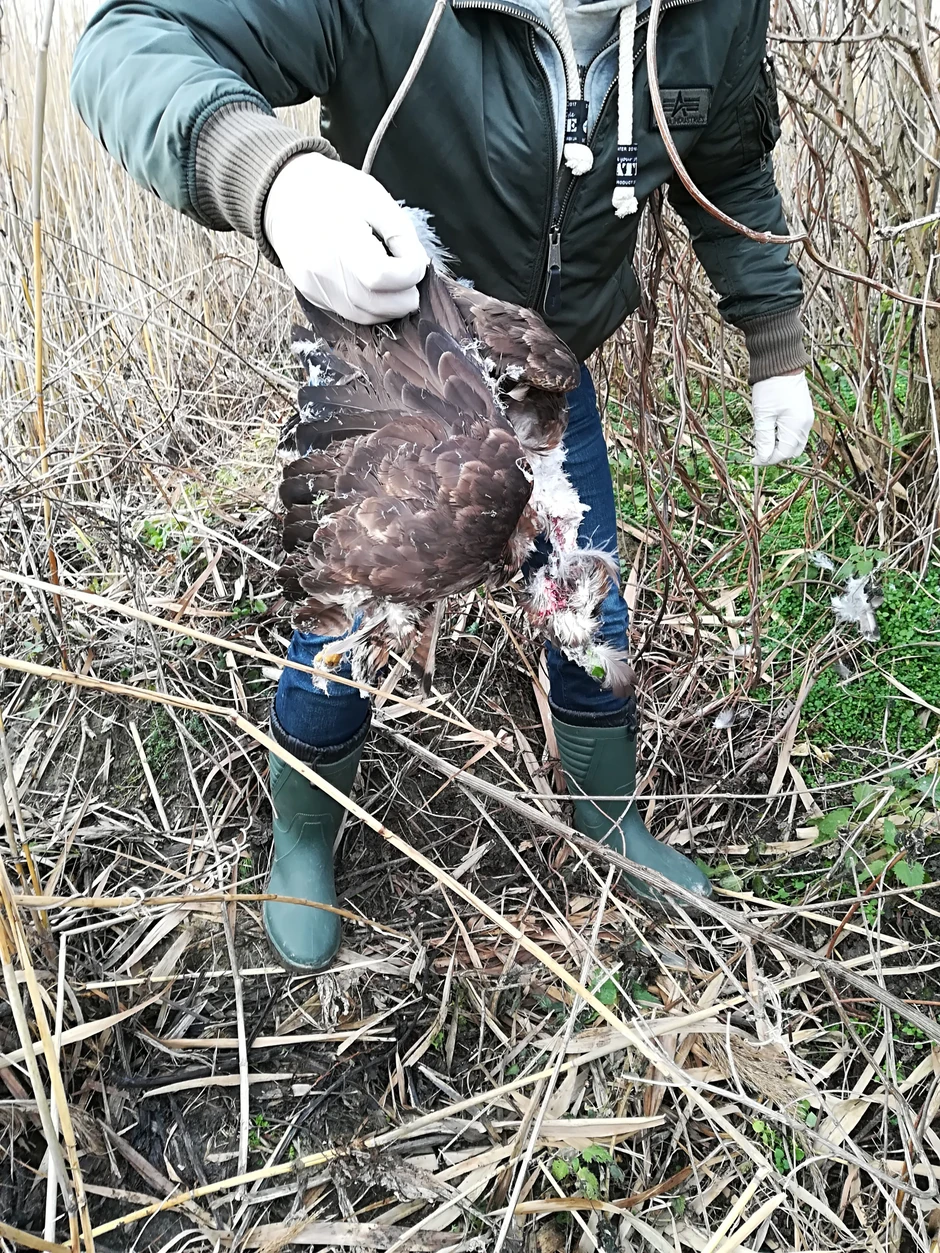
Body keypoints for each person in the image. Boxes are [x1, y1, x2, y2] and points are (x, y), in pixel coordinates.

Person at [71, 0, 814, 973]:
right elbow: (130, 43)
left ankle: (607, 820)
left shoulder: (712, 12)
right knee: (346, 624)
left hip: (550, 374)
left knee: (588, 610)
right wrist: (272, 177)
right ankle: (302, 836)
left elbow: (727, 159)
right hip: (403, 369)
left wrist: (775, 339)